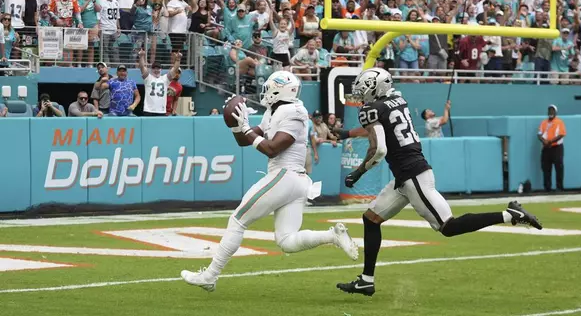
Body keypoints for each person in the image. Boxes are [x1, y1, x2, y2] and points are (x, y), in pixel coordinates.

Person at [335, 68, 542, 297]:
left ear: (376, 89)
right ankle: (366, 281)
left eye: (364, 89)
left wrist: (359, 172)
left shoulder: (372, 109)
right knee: (371, 219)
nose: (361, 94)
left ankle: (511, 215)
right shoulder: (397, 100)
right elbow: (378, 132)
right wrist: (346, 134)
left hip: (413, 177)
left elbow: (379, 148)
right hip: (406, 177)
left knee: (448, 227)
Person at [181, 71, 359, 292]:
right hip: (294, 181)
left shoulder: (295, 112)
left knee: (238, 220)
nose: (266, 91)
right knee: (286, 240)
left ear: (281, 89)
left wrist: (246, 128)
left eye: (270, 87)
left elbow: (273, 149)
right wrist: (237, 124)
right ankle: (332, 235)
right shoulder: (275, 111)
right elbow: (243, 141)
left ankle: (210, 275)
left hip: (285, 176)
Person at [139, 49, 181, 116]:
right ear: (151, 70)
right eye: (154, 68)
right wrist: (141, 56)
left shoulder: (165, 79)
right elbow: (142, 67)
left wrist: (178, 59)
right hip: (148, 110)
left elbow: (175, 69)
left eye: (158, 68)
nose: (156, 70)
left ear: (161, 69)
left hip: (161, 110)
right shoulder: (148, 78)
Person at [538, 105, 566, 192]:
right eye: (549, 111)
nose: (551, 112)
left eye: (552, 111)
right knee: (546, 168)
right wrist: (544, 141)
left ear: (556, 112)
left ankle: (559, 187)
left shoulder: (559, 122)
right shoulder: (543, 123)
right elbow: (539, 134)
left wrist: (550, 141)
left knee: (559, 167)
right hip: (546, 148)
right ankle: (547, 188)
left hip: (557, 148)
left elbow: (561, 134)